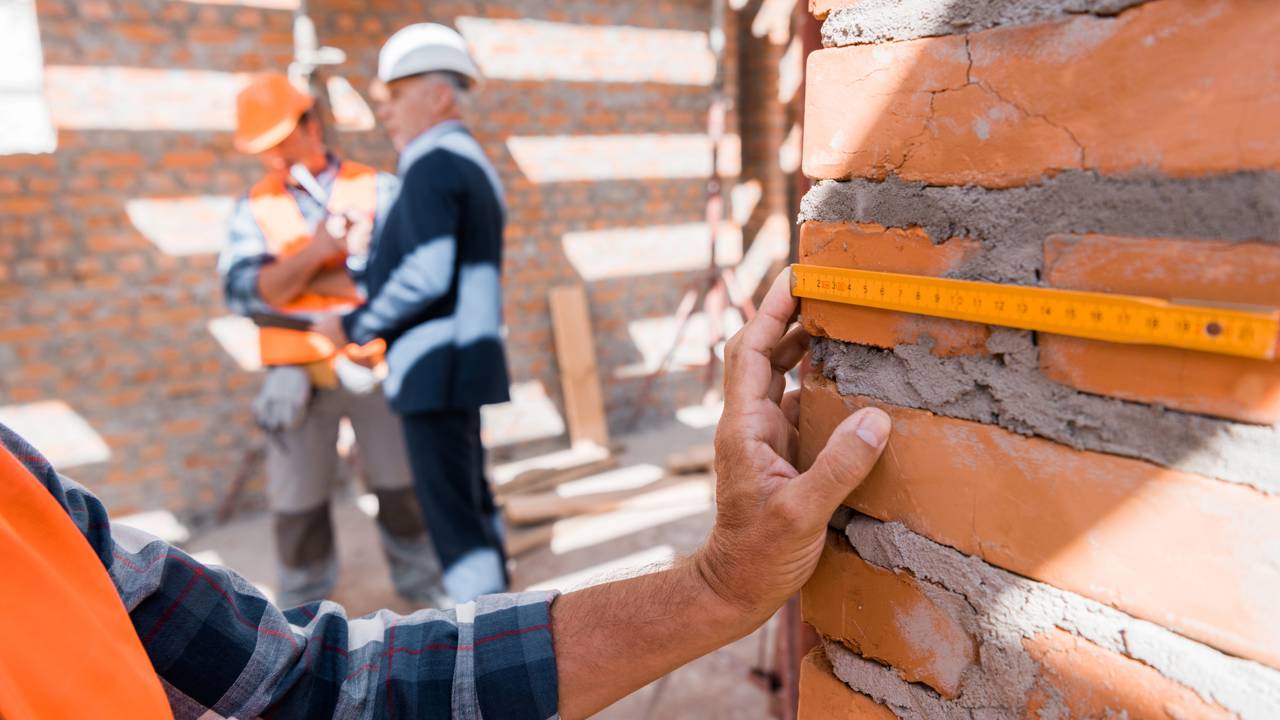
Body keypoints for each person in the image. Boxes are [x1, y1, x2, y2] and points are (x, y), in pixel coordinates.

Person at [0, 270, 892, 718]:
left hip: (389, 381)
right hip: (337, 380)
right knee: (320, 519)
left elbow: (314, 684)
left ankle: (445, 583)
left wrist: (718, 589)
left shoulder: (20, 493)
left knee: (423, 515)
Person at [217, 73, 445, 608]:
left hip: (373, 368)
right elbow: (245, 293)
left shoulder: (379, 189)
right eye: (263, 147)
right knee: (297, 505)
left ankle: (425, 592)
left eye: (281, 141)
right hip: (295, 377)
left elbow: (410, 280)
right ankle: (303, 611)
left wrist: (296, 277)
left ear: (312, 124)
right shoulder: (254, 206)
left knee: (402, 489)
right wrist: (320, 253)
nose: (274, 157)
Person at [313, 25, 513, 603]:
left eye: (396, 96)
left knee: (455, 523)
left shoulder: (433, 163)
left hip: (435, 367)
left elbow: (426, 274)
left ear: (440, 95)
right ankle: (500, 613)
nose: (385, 111)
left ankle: (480, 632)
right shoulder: (462, 159)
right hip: (455, 363)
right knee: (470, 502)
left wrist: (351, 326)